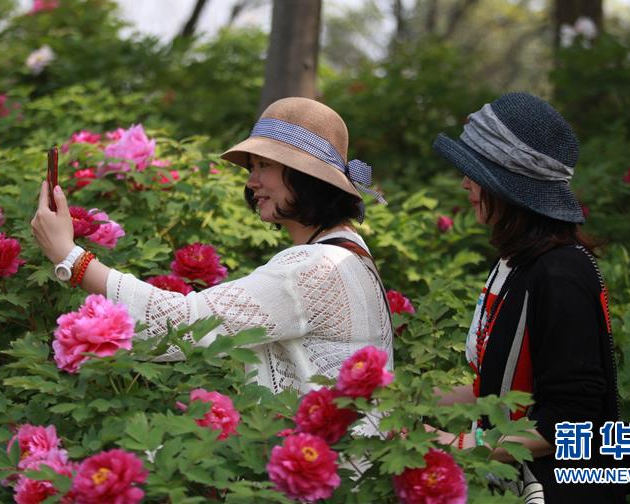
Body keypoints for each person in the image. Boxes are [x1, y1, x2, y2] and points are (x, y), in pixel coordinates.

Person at [31, 96, 392, 394]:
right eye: (252, 166)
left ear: (306, 177)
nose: (251, 182)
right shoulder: (349, 251)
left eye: (263, 165)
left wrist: (71, 256)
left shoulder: (313, 268)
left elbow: (187, 324)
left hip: (334, 472)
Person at [430, 92, 625, 502]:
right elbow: (499, 392)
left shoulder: (560, 275)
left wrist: (456, 444)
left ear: (508, 187)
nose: (465, 182)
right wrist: (407, 399)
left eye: (475, 172)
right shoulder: (518, 263)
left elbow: (570, 423)